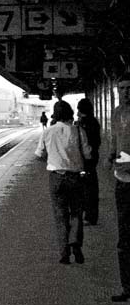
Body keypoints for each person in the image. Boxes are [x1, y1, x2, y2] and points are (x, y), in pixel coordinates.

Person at [35, 100, 91, 265]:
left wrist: (51, 157)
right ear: (70, 113)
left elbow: (38, 155)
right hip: (75, 177)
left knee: (60, 215)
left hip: (56, 177)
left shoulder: (48, 132)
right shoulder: (78, 131)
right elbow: (87, 154)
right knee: (76, 213)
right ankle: (75, 241)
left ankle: (64, 253)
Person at [109, 74, 130, 301]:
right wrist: (111, 155)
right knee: (124, 237)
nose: (126, 92)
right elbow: (115, 140)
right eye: (122, 88)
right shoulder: (116, 112)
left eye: (129, 88)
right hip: (122, 181)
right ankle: (127, 287)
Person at [76, 98, 101, 226]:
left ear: (80, 110)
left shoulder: (83, 124)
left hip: (86, 159)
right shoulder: (94, 122)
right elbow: (98, 142)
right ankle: (91, 215)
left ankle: (89, 216)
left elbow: (81, 143)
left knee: (87, 188)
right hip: (93, 158)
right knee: (91, 187)